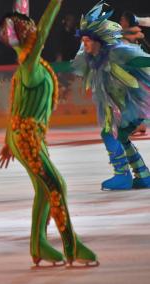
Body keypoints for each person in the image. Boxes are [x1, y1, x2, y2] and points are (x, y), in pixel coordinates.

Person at [0, 0, 98, 267]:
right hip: (28, 139)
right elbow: (43, 27)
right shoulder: (29, 64)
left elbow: (15, 106)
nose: (34, 28)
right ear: (25, 35)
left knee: (44, 190)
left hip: (25, 138)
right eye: (27, 26)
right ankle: (71, 247)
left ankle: (38, 244)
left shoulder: (27, 67)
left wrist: (8, 142)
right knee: (57, 186)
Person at [73, 2, 150, 191]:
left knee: (110, 133)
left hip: (135, 103)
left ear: (99, 39)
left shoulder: (116, 52)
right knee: (121, 136)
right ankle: (143, 175)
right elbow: (76, 65)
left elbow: (138, 59)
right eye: (83, 40)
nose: (84, 44)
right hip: (122, 104)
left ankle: (122, 175)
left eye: (87, 40)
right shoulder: (92, 58)